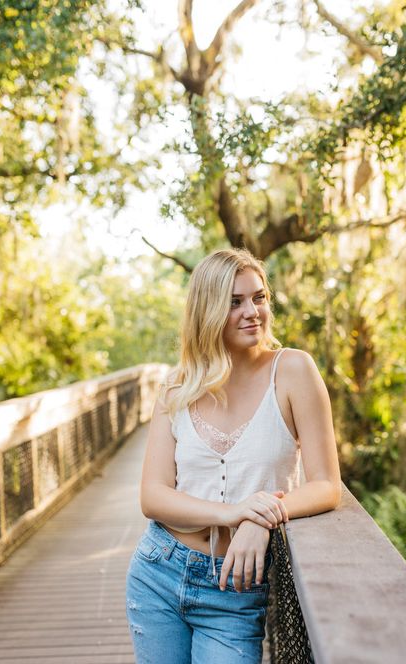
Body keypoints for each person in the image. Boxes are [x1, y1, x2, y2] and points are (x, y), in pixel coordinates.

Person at [125, 248, 341, 663]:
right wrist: (235, 513)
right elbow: (152, 497)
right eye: (235, 302)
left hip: (237, 589)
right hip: (159, 571)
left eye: (259, 298)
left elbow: (327, 486)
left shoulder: (293, 371)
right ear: (207, 311)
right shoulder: (177, 387)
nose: (252, 312)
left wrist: (262, 521)